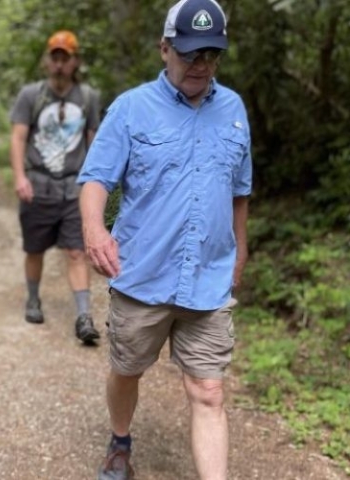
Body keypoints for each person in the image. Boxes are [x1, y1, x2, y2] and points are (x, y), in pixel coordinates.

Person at [77, 1, 252, 478]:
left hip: (208, 279)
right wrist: (94, 229)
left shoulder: (234, 109)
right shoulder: (131, 108)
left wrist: (242, 248)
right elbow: (95, 179)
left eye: (211, 55)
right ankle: (120, 440)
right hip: (141, 275)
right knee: (127, 371)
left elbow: (240, 191)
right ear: (164, 49)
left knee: (209, 391)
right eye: (190, 54)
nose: (201, 66)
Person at [9, 30, 101, 344]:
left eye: (66, 57)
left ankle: (84, 316)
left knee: (77, 251)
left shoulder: (88, 97)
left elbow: (94, 144)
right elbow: (19, 137)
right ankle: (33, 298)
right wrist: (20, 176)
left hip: (74, 189)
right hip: (38, 187)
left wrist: (95, 184)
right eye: (55, 57)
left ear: (75, 62)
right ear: (47, 61)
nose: (60, 63)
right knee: (35, 249)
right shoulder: (31, 96)